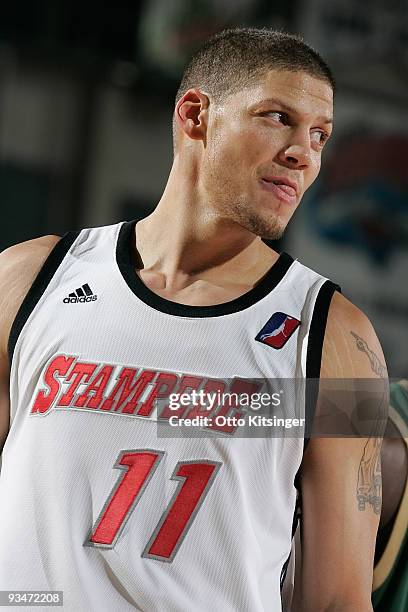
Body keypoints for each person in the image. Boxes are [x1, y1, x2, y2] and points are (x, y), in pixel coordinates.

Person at [0, 28, 388, 611]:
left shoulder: (333, 335)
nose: (303, 153)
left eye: (320, 135)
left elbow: (338, 599)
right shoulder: (31, 278)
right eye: (277, 117)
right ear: (194, 115)